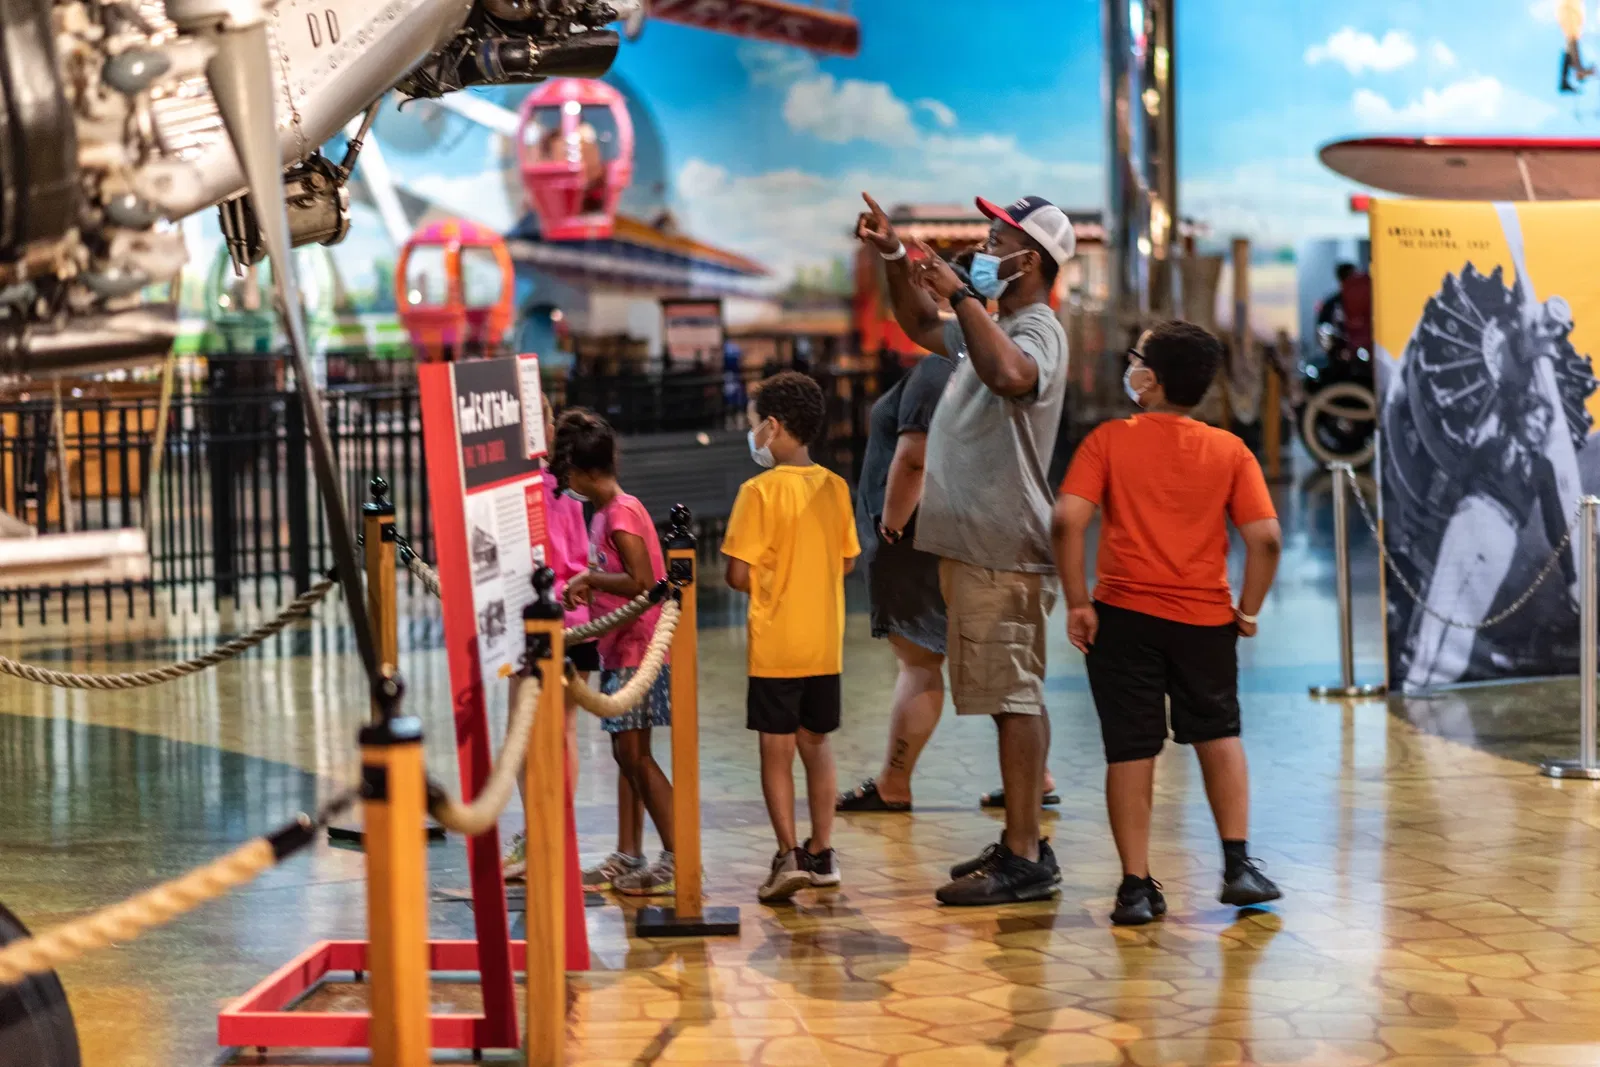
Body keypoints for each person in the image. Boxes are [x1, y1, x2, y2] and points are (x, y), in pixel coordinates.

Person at [856, 191, 1074, 906]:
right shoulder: (999, 322)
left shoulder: (1037, 328)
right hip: (977, 543)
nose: (983, 250)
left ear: (1030, 260)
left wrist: (965, 300)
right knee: (1012, 693)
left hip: (1001, 543)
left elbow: (1013, 376)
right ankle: (1020, 839)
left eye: (995, 240)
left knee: (1012, 694)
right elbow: (921, 322)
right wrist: (892, 256)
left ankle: (1024, 856)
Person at [1054, 321, 1284, 926]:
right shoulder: (1230, 451)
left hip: (1122, 617)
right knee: (1218, 731)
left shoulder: (1108, 441)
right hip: (1206, 618)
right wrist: (1248, 612)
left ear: (1149, 379)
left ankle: (1135, 885)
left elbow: (1066, 521)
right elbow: (1265, 539)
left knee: (1130, 748)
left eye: (1135, 359)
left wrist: (1079, 602)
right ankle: (1238, 864)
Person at [722, 371, 860, 903]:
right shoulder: (836, 487)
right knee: (817, 746)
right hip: (824, 644)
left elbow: (737, 575)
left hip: (776, 646)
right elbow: (847, 561)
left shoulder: (756, 492)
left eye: (757, 425)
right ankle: (822, 851)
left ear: (774, 427)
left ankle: (787, 855)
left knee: (775, 752)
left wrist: (774, 577)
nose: (754, 434)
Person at [835, 326, 957, 813]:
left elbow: (913, 460)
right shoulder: (981, 361)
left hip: (912, 534)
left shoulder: (940, 366)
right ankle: (1034, 778)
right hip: (946, 528)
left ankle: (894, 782)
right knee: (982, 657)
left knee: (920, 660)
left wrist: (890, 526)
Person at [554, 409, 675, 896]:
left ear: (583, 473)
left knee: (637, 756)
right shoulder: (604, 511)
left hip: (639, 648)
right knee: (625, 755)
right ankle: (629, 852)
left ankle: (678, 856)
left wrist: (591, 579)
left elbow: (643, 582)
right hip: (617, 646)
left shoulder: (622, 514)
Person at [504, 394, 600, 881]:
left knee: (522, 736)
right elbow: (580, 560)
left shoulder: (517, 494)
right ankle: (550, 835)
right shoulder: (568, 491)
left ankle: (539, 837)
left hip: (540, 624)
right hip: (577, 621)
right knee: (563, 734)